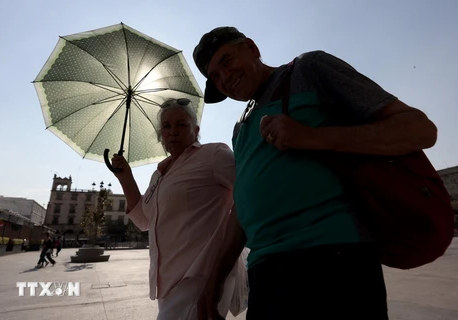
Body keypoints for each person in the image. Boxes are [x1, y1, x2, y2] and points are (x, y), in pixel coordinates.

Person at [192, 27, 438, 320]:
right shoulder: (240, 127)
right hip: (265, 273)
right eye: (215, 77)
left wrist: (311, 137)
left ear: (251, 47)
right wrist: (216, 276)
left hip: (333, 261)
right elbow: (242, 208)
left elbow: (420, 129)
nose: (224, 78)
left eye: (227, 61)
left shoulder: (308, 70)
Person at [111, 98, 244, 320]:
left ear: (196, 130)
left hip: (199, 277)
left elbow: (248, 190)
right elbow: (144, 220)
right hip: (167, 282)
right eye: (166, 126)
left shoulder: (213, 155)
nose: (173, 131)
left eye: (181, 124)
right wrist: (125, 177)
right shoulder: (159, 174)